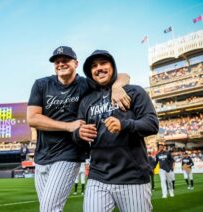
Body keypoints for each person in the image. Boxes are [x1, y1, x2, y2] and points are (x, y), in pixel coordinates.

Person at [27, 46, 131, 212]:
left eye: (65, 60)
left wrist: (117, 87)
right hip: (42, 156)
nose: (61, 64)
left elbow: (123, 75)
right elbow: (32, 118)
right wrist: (68, 126)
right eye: (57, 61)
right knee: (48, 208)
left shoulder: (85, 84)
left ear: (76, 63)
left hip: (69, 153)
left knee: (48, 209)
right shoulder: (41, 84)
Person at [75, 50, 159, 212]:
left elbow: (152, 124)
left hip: (132, 177)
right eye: (94, 66)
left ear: (113, 66)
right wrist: (79, 134)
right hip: (98, 177)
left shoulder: (134, 91)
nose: (98, 68)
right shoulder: (86, 101)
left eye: (103, 63)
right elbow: (77, 135)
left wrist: (124, 125)